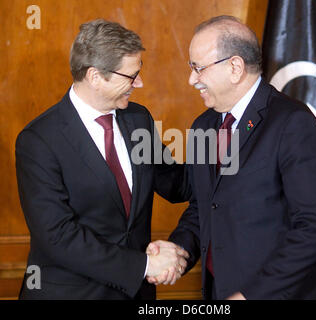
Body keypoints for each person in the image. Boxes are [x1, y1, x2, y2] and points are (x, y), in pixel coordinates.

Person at [148, 15, 316, 299]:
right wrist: (179, 250)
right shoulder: (204, 126)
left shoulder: (292, 122)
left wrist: (251, 295)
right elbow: (204, 206)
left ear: (235, 67)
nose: (192, 80)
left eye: (198, 68)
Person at [15, 19, 189, 300]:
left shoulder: (138, 119)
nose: (140, 83)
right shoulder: (39, 140)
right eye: (131, 76)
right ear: (95, 76)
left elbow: (175, 183)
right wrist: (143, 265)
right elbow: (57, 236)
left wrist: (228, 153)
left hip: (136, 294)